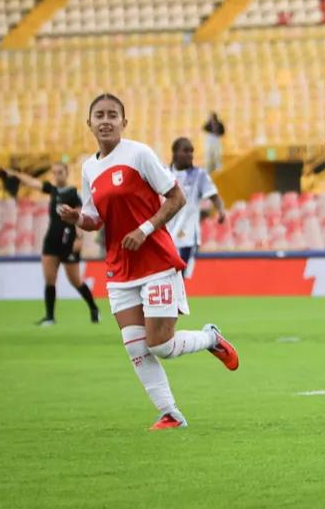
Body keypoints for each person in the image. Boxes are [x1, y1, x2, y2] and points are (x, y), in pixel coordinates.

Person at [58, 94, 239, 431]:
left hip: (155, 260)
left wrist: (143, 230)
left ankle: (210, 338)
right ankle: (170, 413)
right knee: (136, 348)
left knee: (161, 345)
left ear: (124, 122)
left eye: (113, 114)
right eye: (99, 115)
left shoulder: (139, 154)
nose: (106, 120)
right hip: (119, 268)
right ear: (89, 124)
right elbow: (94, 219)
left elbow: (177, 197)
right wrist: (75, 218)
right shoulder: (89, 167)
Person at [5, 163, 100, 326]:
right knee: (50, 280)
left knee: (75, 281)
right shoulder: (52, 190)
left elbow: (81, 217)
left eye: (60, 172)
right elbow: (33, 183)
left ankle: (93, 308)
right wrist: (16, 174)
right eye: (54, 173)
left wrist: (79, 239)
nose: (57, 176)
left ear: (67, 173)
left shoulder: (73, 194)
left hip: (68, 241)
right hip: (51, 241)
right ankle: (50, 317)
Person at [167, 137, 226, 279]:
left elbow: (214, 195)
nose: (190, 155)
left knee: (179, 276)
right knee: (165, 276)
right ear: (175, 152)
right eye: (185, 151)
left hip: (187, 236)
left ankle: (178, 301)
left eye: (191, 151)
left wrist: (220, 210)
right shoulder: (164, 173)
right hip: (165, 233)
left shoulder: (199, 175)